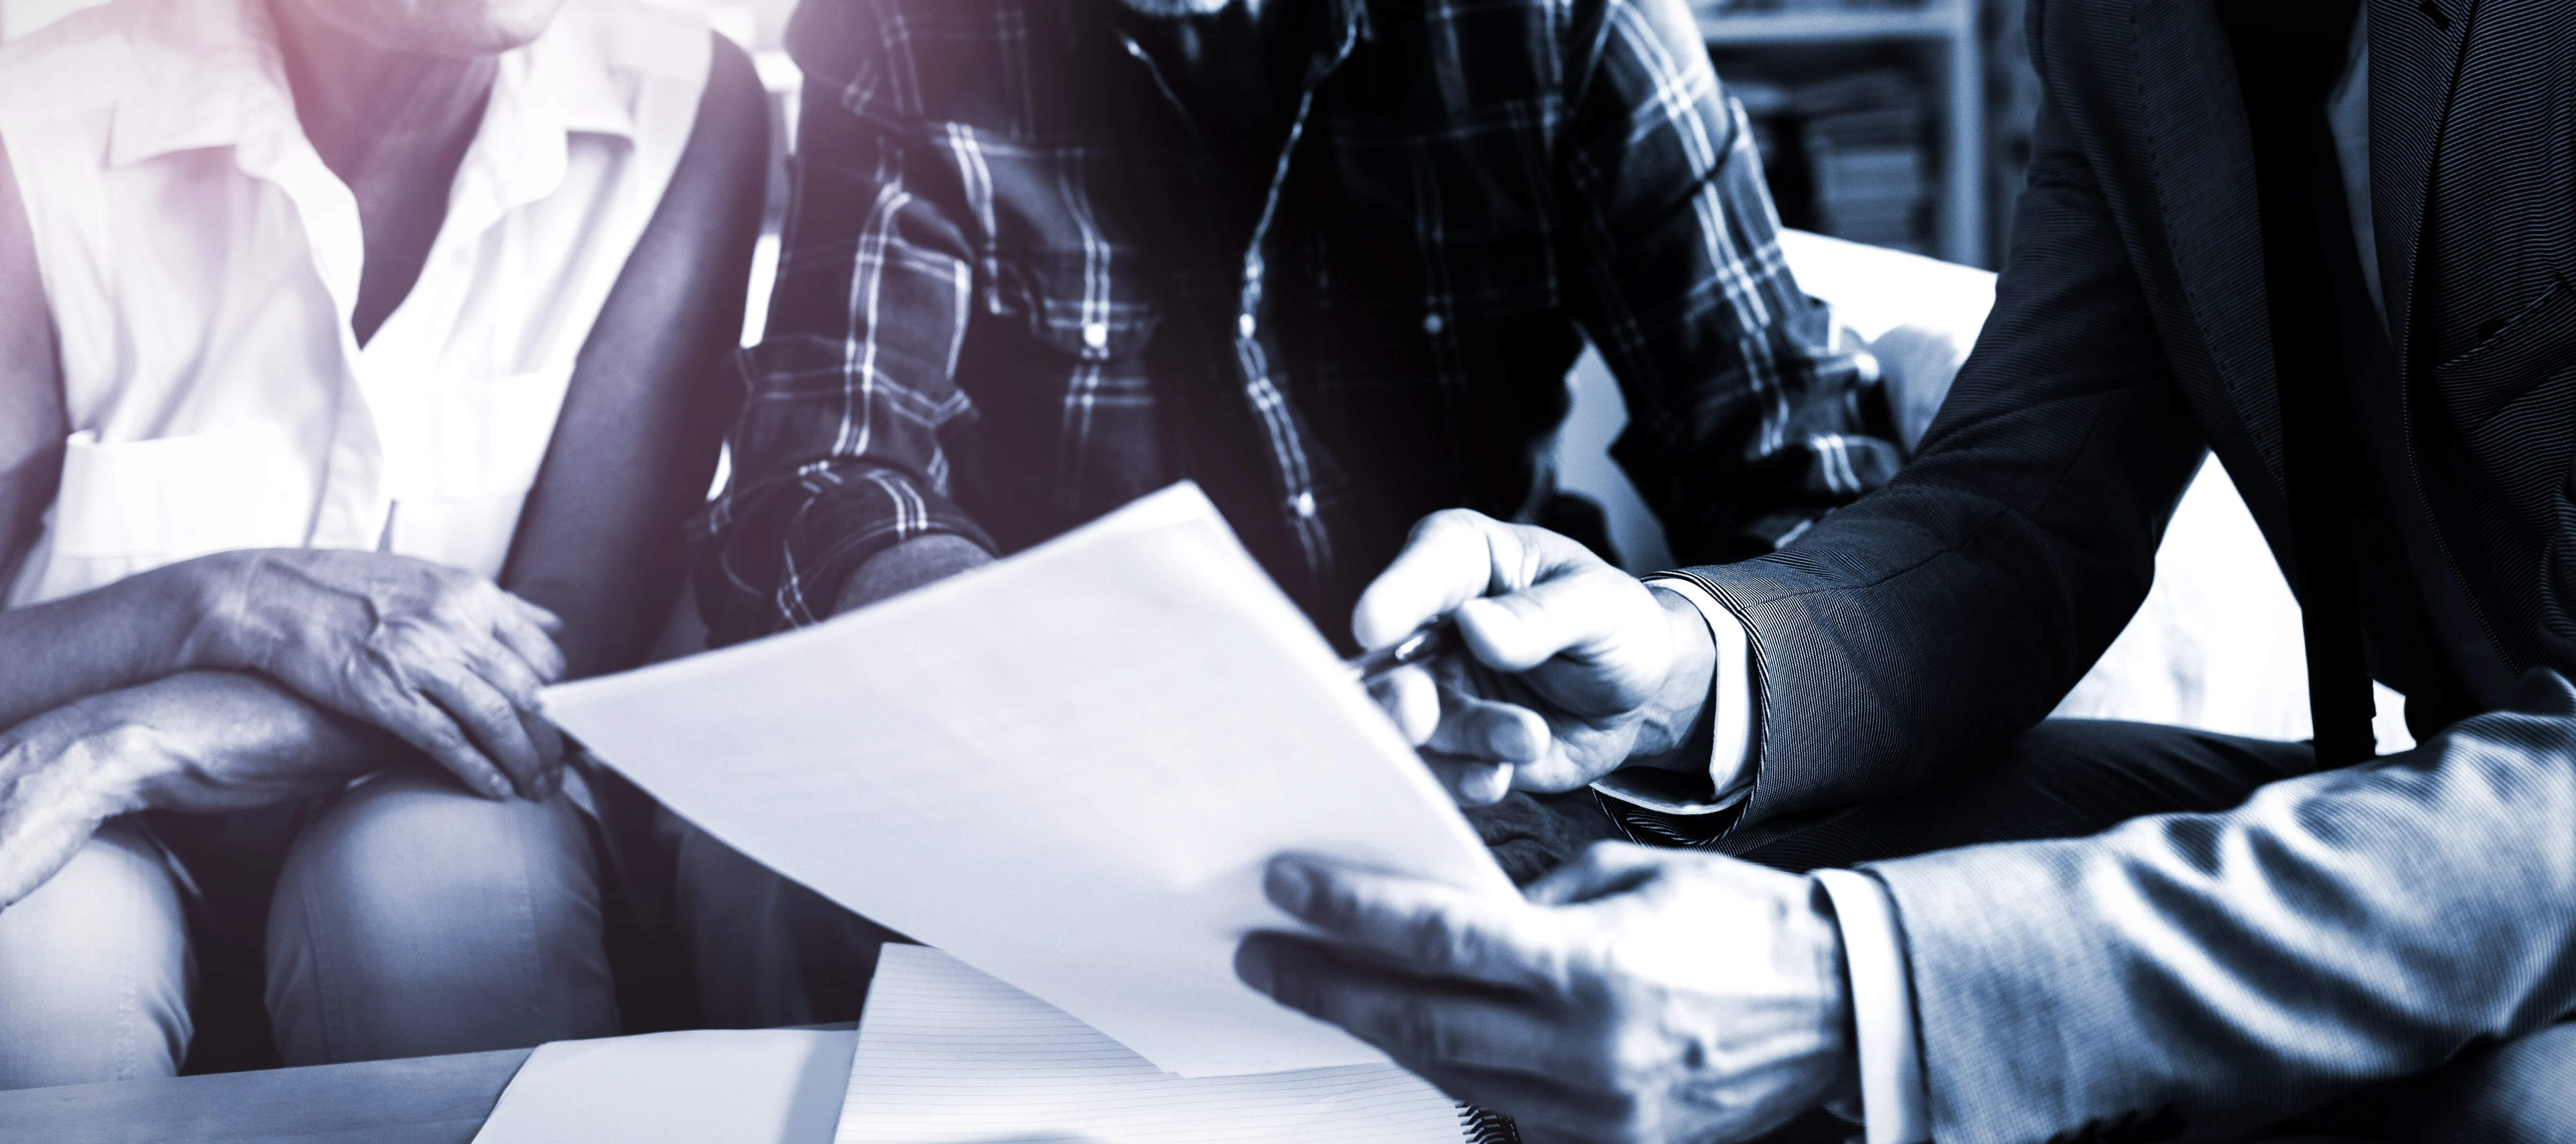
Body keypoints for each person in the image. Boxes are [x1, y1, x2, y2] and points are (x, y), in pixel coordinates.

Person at [1238, 0, 2576, 1140]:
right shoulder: (2143, 24)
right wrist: (1685, 663)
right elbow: (2014, 513)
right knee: (1619, 860)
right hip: (2503, 805)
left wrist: (1861, 987)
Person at [685, 0, 1901, 1025]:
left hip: (1496, 766)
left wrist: (1646, 679)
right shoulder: (908, 29)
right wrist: (1010, 659)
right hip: (1063, 795)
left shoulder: (1568, 21)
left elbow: (1813, 482)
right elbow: (821, 474)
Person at [0, 0, 768, 1095]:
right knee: (13, 965)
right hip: (62, 852)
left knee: (443, 885)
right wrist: (214, 604)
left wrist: (121, 739)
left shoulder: (688, 104)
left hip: (420, 809)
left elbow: (559, 652)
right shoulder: (33, 134)